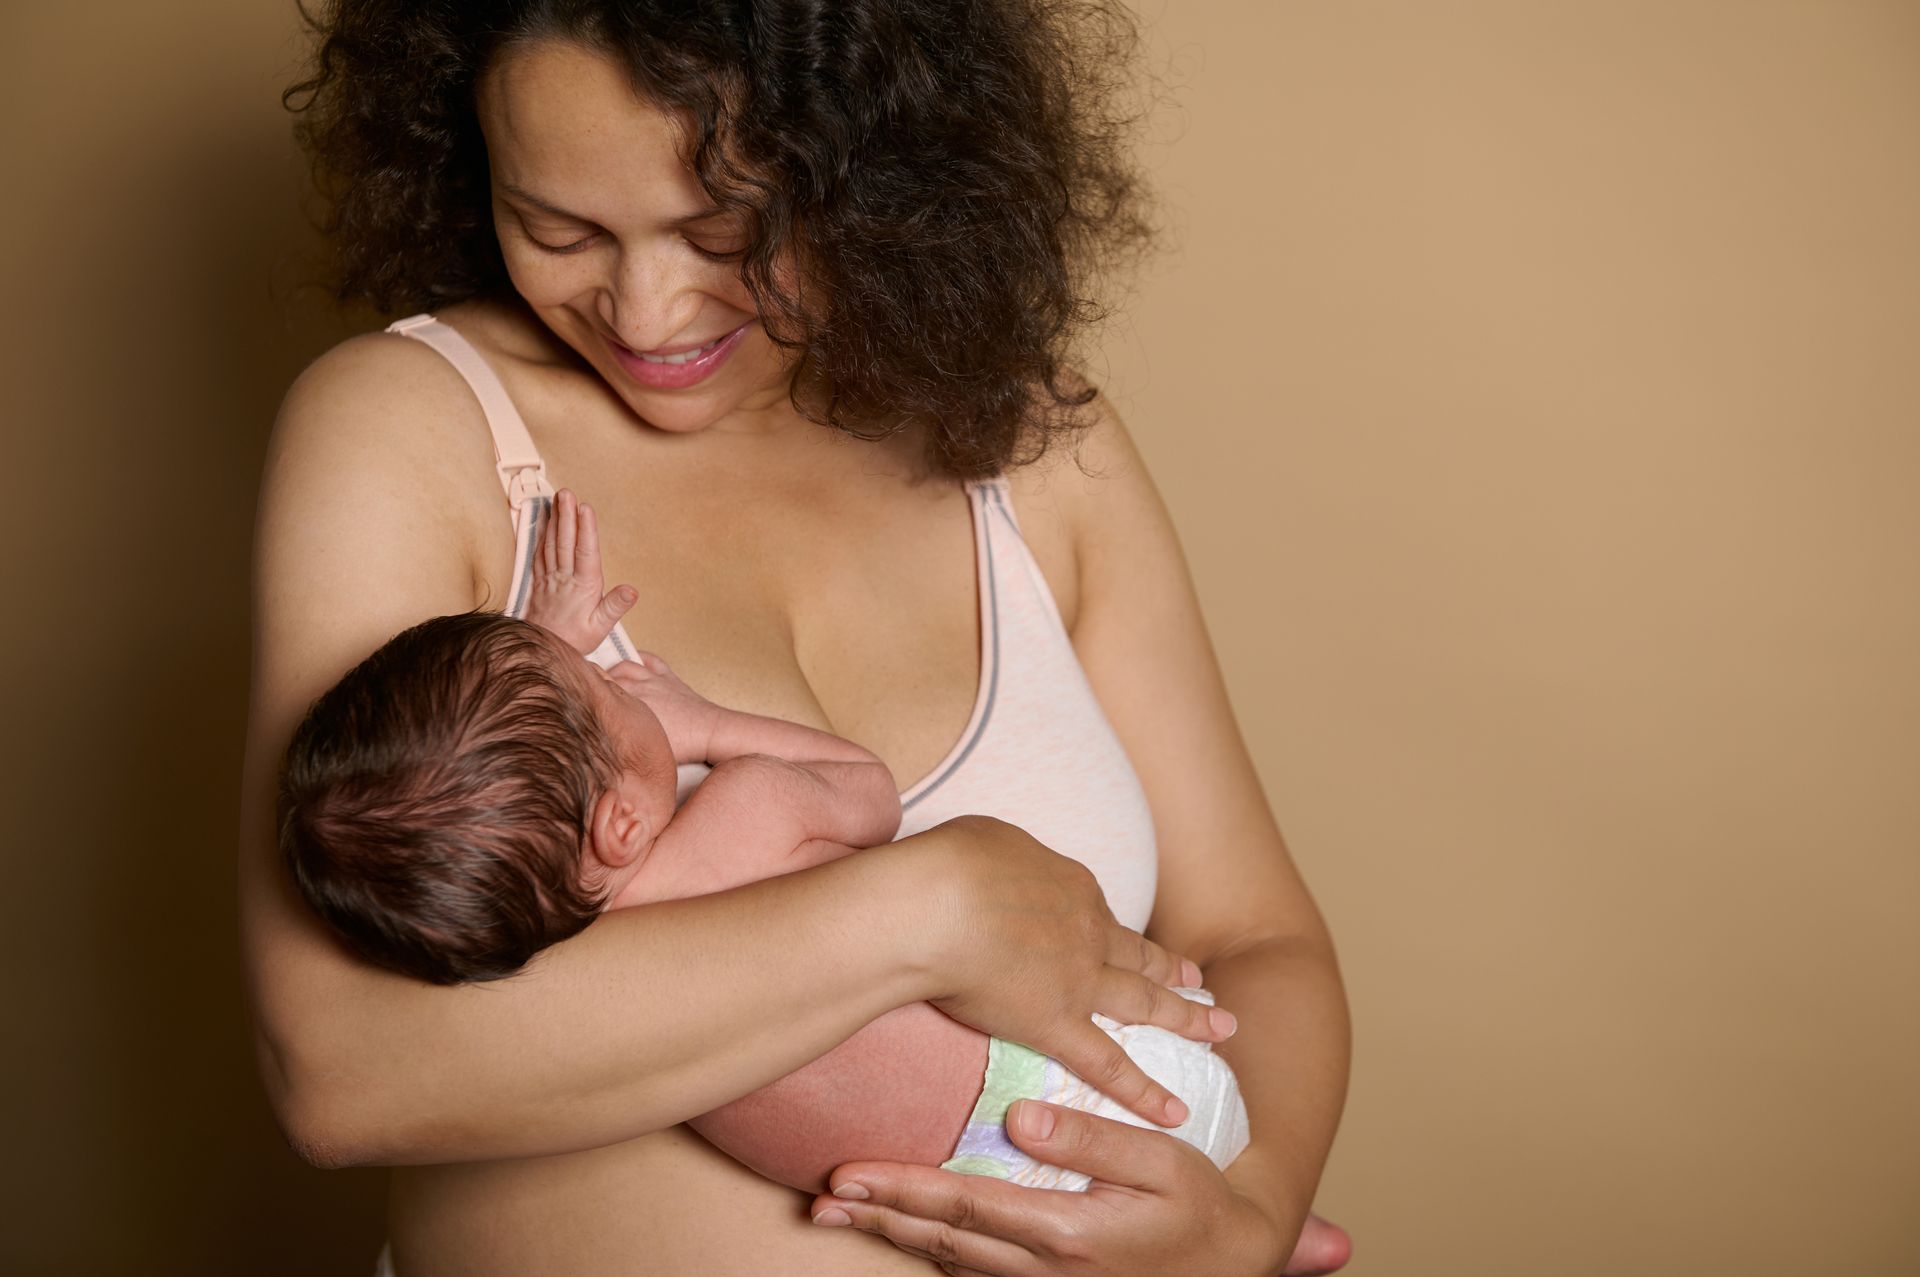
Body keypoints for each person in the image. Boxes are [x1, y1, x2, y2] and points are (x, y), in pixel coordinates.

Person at [247, 3, 1352, 1273]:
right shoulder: (414, 428)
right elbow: (345, 1067)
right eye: (558, 228)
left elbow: (1257, 937)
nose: (646, 310)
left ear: (877, 170)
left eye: (725, 233)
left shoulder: (1035, 443)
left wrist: (1249, 1215)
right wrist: (929, 907)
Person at [277, 490, 1255, 1198]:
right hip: (1063, 1078)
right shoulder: (744, 814)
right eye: (610, 690)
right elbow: (866, 790)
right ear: (619, 823)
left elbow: (482, 789)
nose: (624, 680)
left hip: (969, 1171)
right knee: (1211, 1139)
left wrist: (546, 661)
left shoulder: (567, 980)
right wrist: (703, 724)